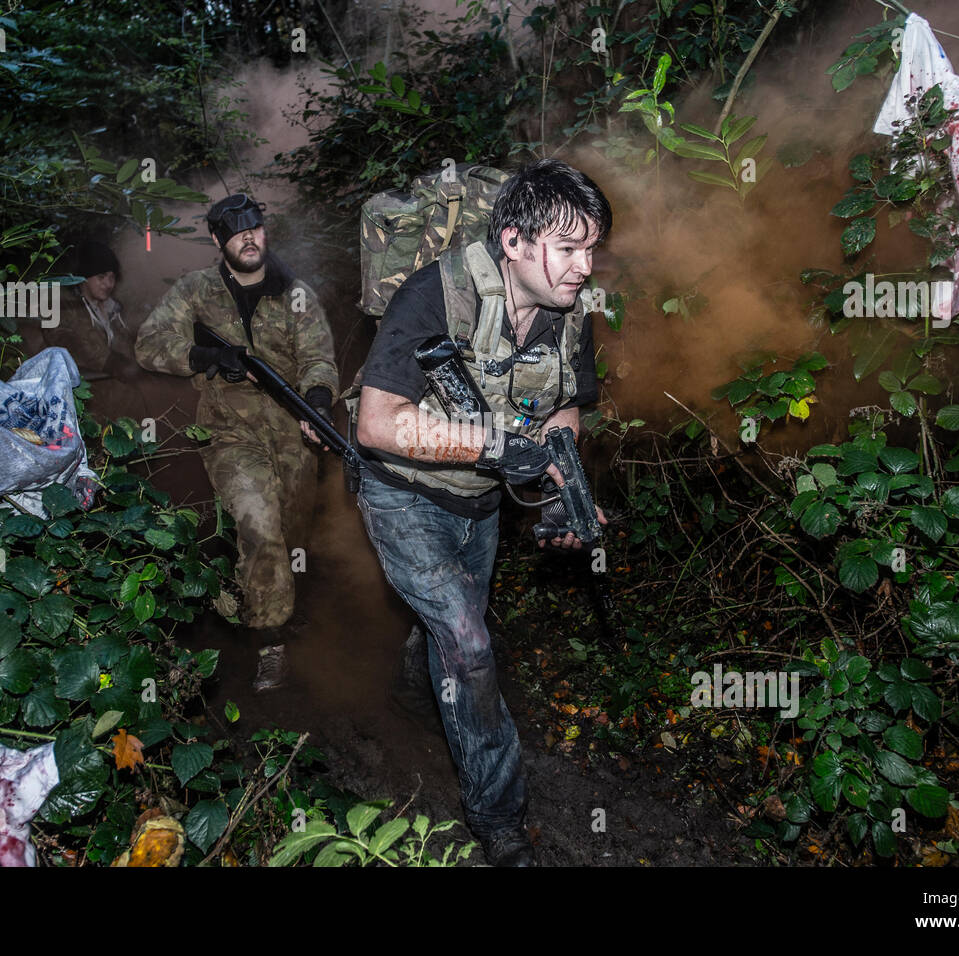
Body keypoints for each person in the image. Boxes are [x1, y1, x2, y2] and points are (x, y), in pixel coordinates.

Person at [354, 159, 611, 866]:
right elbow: (376, 424)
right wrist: (498, 443)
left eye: (591, 249)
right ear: (515, 243)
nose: (584, 266)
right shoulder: (433, 294)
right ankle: (500, 822)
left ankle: (416, 688)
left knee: (450, 624)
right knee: (469, 642)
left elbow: (564, 408)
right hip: (402, 492)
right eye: (569, 248)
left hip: (481, 505)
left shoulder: (571, 316)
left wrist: (563, 485)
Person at [134, 194, 339, 692]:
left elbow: (320, 359)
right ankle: (272, 645)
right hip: (229, 433)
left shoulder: (295, 293)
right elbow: (147, 344)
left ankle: (265, 594)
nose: (249, 238)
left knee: (292, 535)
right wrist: (203, 356)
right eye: (235, 231)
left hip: (294, 434)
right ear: (217, 239)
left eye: (256, 228)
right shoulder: (196, 290)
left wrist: (315, 399)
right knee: (260, 526)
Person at [42, 240, 137, 382]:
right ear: (84, 278)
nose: (108, 284)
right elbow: (79, 348)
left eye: (112, 277)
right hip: (82, 390)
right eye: (101, 277)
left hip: (118, 385)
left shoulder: (115, 309)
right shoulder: (64, 308)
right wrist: (115, 363)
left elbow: (130, 344)